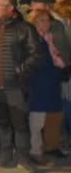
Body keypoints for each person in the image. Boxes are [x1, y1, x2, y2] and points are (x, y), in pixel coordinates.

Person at [0, 0, 44, 170]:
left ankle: (23, 156)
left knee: (20, 123)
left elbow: (36, 54)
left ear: (10, 8)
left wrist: (19, 71)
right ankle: (5, 153)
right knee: (2, 121)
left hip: (16, 86)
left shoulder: (25, 28)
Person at [27, 9, 67, 163]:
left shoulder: (49, 38)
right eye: (42, 20)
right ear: (34, 22)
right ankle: (35, 150)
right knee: (37, 119)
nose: (46, 23)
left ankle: (52, 146)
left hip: (52, 81)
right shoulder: (33, 39)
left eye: (47, 20)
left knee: (53, 116)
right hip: (39, 81)